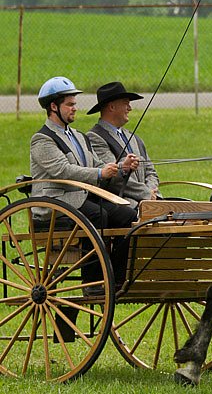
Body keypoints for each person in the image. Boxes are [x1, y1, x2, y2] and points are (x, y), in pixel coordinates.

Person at [30, 76, 138, 291]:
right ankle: (92, 281)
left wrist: (121, 167)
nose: (74, 109)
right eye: (70, 104)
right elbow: (63, 170)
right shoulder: (42, 139)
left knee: (127, 214)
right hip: (56, 202)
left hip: (81, 199)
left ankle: (117, 278)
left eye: (74, 104)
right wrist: (99, 172)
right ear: (53, 107)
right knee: (98, 214)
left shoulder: (78, 136)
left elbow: (96, 163)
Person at [86, 81, 161, 208]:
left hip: (151, 201)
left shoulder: (134, 138)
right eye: (126, 103)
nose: (130, 108)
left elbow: (151, 172)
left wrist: (151, 191)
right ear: (112, 107)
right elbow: (113, 178)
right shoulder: (95, 138)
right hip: (125, 205)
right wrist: (146, 194)